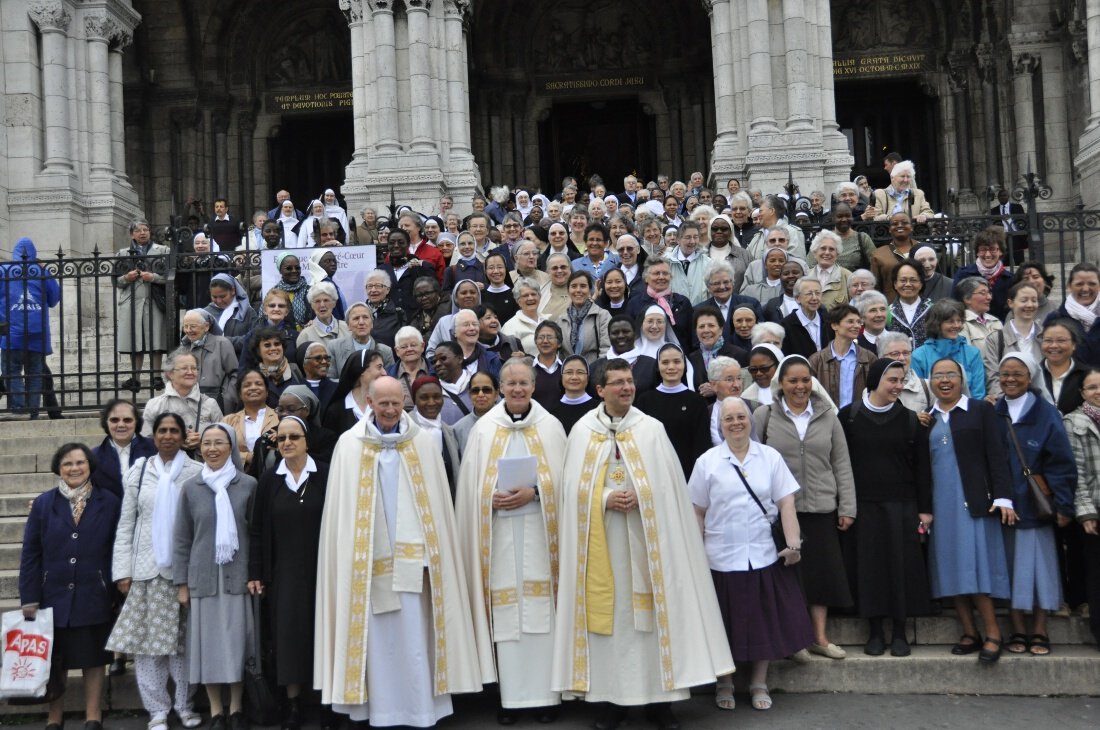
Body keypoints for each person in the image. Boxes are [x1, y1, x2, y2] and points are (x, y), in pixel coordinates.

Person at [552, 359, 734, 730]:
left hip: (648, 547)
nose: (626, 388)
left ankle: (660, 704)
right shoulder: (584, 431)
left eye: (629, 381)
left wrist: (642, 494)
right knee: (613, 622)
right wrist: (603, 498)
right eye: (617, 382)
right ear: (600, 390)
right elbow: (570, 490)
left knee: (652, 622)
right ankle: (612, 702)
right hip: (602, 548)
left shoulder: (651, 429)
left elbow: (670, 488)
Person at [314, 376, 492, 727]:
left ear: (404, 402)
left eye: (396, 403)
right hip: (367, 566)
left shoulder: (422, 444)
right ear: (369, 402)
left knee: (415, 637)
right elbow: (341, 515)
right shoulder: (350, 445)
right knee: (377, 642)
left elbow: (438, 509)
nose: (391, 410)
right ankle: (377, 710)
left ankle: (422, 709)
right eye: (383, 404)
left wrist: (434, 557)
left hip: (417, 566)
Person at [455, 360, 567, 723]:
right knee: (506, 615)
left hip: (540, 530)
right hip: (499, 533)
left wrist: (535, 492)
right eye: (511, 383)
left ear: (534, 387)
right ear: (501, 388)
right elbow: (471, 487)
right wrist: (490, 496)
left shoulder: (551, 427)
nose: (517, 389)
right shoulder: (485, 430)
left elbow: (566, 483)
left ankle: (547, 700)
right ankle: (509, 699)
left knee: (543, 614)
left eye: (524, 383)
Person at [690, 397, 812, 712]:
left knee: (763, 623)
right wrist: (694, 554)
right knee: (724, 625)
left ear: (750, 420)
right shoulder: (707, 462)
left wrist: (793, 543)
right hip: (719, 556)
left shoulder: (769, 457)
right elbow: (697, 512)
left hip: (762, 554)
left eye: (741, 417)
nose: (736, 423)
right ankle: (725, 682)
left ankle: (759, 682)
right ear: (720, 425)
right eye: (728, 418)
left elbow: (786, 503)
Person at [754, 355, 855, 659]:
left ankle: (819, 639)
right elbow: (754, 462)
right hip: (781, 511)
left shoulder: (827, 416)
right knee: (788, 578)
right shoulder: (765, 415)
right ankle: (794, 640)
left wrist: (847, 506)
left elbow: (841, 463)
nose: (800, 386)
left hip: (821, 506)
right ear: (781, 384)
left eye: (805, 380)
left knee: (821, 576)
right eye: (792, 380)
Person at [108, 413, 203, 730]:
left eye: (174, 430)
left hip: (184, 573)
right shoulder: (139, 470)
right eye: (162, 430)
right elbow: (126, 523)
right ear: (154, 435)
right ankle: (157, 711)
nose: (168, 436)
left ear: (182, 435)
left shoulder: (196, 471)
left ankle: (185, 706)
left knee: (183, 645)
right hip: (146, 571)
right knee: (149, 648)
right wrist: (123, 570)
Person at [19, 443, 120, 730]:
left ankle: (93, 715)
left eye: (80, 462)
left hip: (94, 591)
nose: (74, 468)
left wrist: (113, 584)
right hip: (54, 593)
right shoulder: (43, 504)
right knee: (55, 659)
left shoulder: (109, 501)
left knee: (93, 657)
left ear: (90, 465)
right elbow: (31, 553)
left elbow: (116, 547)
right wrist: (29, 597)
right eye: (67, 463)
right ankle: (54, 717)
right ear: (58, 469)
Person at [925, 357, 1016, 663]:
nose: (945, 380)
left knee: (976, 569)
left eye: (951, 374)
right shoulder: (927, 418)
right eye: (938, 375)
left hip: (975, 502)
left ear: (962, 379)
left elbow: (997, 455)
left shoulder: (979, 410)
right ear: (930, 381)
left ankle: (993, 633)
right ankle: (968, 631)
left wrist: (1004, 496)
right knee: (950, 568)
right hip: (941, 505)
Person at [839, 360, 932, 657]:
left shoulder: (910, 420)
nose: (897, 386)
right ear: (876, 380)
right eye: (892, 380)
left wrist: (925, 510)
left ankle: (901, 631)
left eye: (901, 380)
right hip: (865, 506)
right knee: (870, 569)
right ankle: (875, 631)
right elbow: (841, 465)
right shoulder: (849, 416)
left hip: (902, 506)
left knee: (900, 568)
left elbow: (922, 468)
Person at [173, 423, 258, 730]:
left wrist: (257, 574)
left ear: (231, 447)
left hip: (238, 577)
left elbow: (256, 534)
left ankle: (236, 708)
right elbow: (182, 538)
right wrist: (181, 583)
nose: (212, 448)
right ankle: (216, 710)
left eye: (219, 442)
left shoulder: (247, 485)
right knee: (207, 646)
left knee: (237, 643)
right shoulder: (192, 487)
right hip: (203, 579)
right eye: (206, 443)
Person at [249, 415, 331, 729]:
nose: (287, 443)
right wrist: (257, 571)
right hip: (283, 574)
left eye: (294, 437)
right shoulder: (270, 480)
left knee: (322, 636)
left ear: (307, 440)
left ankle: (327, 705)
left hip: (322, 571)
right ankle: (294, 705)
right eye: (281, 438)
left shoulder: (325, 474)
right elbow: (257, 530)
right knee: (288, 639)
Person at [993, 352, 1077, 656]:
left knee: (1040, 570)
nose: (1010, 379)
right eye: (1005, 374)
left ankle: (1039, 630)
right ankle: (1016, 628)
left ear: (1030, 377)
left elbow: (1062, 464)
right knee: (1011, 571)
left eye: (1017, 374)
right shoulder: (993, 411)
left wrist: (1065, 506)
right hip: (1002, 508)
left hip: (1035, 506)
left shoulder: (1045, 412)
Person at [1, 236, 61, 418]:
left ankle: (19, 410)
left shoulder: (4, 270)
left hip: (11, 332)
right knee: (35, 374)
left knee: (12, 371)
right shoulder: (42, 272)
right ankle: (33, 412)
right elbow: (54, 299)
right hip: (38, 334)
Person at [635, 344, 711, 479]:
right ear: (657, 367)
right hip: (653, 473)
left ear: (684, 365)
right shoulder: (644, 401)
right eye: (665, 362)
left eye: (677, 361)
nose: (671, 367)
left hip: (687, 474)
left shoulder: (697, 401)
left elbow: (702, 444)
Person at [1064, 369, 1100, 646]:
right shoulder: (1074, 422)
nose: (1097, 391)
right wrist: (1085, 511)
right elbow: (1075, 473)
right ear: (1082, 392)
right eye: (1092, 387)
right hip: (1095, 511)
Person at [116, 220, 170, 390]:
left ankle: (156, 377)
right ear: (132, 234)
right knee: (135, 341)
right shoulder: (123, 253)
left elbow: (170, 276)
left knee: (156, 339)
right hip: (131, 301)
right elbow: (116, 281)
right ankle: (135, 378)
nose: (142, 233)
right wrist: (126, 277)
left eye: (145, 229)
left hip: (154, 300)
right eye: (138, 230)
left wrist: (153, 277)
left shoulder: (163, 250)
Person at [143, 349, 225, 452]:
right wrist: (175, 441)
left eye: (194, 368)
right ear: (170, 374)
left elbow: (224, 439)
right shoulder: (155, 405)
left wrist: (203, 442)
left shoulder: (210, 404)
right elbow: (146, 442)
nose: (190, 372)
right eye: (184, 368)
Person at [911, 299, 986, 399]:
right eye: (950, 321)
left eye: (959, 321)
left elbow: (978, 394)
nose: (956, 325)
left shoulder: (973, 353)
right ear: (936, 324)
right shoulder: (919, 356)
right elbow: (918, 395)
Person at [808, 303, 877, 409]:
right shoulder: (816, 360)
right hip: (828, 418)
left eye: (859, 322)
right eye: (850, 321)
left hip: (859, 418)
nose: (857, 326)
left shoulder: (869, 358)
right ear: (835, 325)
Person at [983, 281, 1044, 400]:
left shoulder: (1046, 337)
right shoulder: (995, 339)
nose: (1030, 305)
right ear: (1011, 303)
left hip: (1042, 405)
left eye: (1034, 300)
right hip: (1008, 406)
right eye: (1024, 300)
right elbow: (993, 376)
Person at [91, 399, 156, 500]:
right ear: (106, 423)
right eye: (114, 420)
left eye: (127, 420)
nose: (121, 424)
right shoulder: (93, 457)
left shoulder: (155, 449)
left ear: (136, 422)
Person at [410, 375, 462, 496]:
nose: (431, 402)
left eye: (437, 397)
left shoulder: (449, 432)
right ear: (414, 400)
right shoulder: (405, 429)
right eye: (424, 398)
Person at [180, 309, 239, 413]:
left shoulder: (222, 344)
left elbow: (235, 374)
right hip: (189, 403)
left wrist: (229, 398)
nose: (188, 330)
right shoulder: (183, 348)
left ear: (206, 326)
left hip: (218, 402)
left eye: (193, 326)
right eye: (185, 326)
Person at [627, 257, 694, 347]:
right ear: (646, 278)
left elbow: (691, 336)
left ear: (670, 277)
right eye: (656, 273)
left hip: (678, 357)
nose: (661, 277)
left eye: (665, 273)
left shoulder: (683, 302)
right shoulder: (634, 304)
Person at [1046, 262, 1100, 368]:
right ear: (1069, 286)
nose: (1085, 289)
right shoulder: (1055, 320)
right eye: (1079, 284)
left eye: (1092, 284)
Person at [953, 227, 1014, 321]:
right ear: (977, 252)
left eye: (993, 249)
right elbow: (955, 304)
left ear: (1000, 251)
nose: (988, 254)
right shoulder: (963, 274)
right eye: (983, 250)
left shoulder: (1010, 279)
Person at [223, 368, 278, 472]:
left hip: (273, 473)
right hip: (237, 476)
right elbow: (220, 448)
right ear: (240, 394)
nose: (253, 388)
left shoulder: (279, 418)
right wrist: (246, 457)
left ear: (267, 391)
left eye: (258, 384)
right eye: (247, 385)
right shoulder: (228, 421)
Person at [323, 348, 386, 434]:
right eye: (379, 367)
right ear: (362, 370)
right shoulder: (336, 411)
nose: (384, 373)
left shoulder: (387, 404)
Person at [689, 305, 746, 396]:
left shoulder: (738, 354)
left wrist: (717, 388)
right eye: (701, 326)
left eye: (711, 325)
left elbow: (745, 387)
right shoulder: (691, 359)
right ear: (696, 331)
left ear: (721, 329)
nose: (706, 330)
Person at [326, 302, 395, 376]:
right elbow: (331, 381)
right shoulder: (334, 347)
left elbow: (390, 381)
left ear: (372, 324)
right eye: (356, 318)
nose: (361, 322)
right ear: (348, 325)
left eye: (365, 317)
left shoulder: (385, 351)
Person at [558, 270, 611, 364]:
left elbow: (606, 349)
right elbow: (560, 353)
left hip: (594, 372)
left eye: (583, 286)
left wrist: (597, 371)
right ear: (568, 290)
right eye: (574, 286)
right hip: (568, 374)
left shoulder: (602, 316)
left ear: (590, 290)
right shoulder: (561, 320)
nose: (578, 290)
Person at [1040, 319, 1090, 414]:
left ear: (1074, 345)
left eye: (1061, 340)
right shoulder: (1032, 374)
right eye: (1048, 340)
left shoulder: (1087, 376)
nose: (1054, 345)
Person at [206, 274, 260, 356]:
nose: (219, 301)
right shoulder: (205, 313)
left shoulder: (247, 312)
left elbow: (254, 339)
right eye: (214, 297)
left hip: (239, 363)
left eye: (222, 296)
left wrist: (221, 342)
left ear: (233, 291)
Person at [248, 327, 304, 405]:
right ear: (258, 351)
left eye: (277, 344)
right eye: (267, 345)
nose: (273, 348)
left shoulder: (295, 370)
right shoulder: (252, 377)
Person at [877, 332, 932, 412]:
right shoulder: (873, 388)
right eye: (895, 354)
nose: (902, 358)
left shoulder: (927, 388)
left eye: (906, 353)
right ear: (881, 357)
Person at [780, 277, 833, 359]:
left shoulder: (830, 321)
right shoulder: (786, 325)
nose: (815, 298)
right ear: (797, 298)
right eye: (809, 294)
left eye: (818, 293)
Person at [870, 212, 918, 303]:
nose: (899, 226)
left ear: (911, 227)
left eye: (904, 223)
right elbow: (875, 287)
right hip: (891, 307)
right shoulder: (878, 254)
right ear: (889, 229)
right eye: (895, 224)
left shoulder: (922, 250)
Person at [886, 260, 933, 349]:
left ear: (921, 284)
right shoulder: (888, 312)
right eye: (903, 280)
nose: (908, 284)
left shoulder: (933, 309)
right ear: (895, 284)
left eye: (913, 280)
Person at [868, 160, 934, 223]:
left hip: (912, 233)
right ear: (892, 178)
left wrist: (924, 216)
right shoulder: (879, 194)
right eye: (902, 176)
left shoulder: (918, 194)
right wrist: (893, 219)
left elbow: (929, 213)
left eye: (908, 177)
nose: (905, 180)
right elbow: (875, 217)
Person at [549, 354, 598, 434]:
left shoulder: (599, 409)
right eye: (569, 372)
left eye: (580, 372)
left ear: (588, 377)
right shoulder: (551, 412)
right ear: (561, 377)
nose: (574, 377)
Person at [452, 369, 500, 451]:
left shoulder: (508, 423)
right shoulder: (458, 429)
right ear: (470, 395)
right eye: (475, 391)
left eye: (486, 390)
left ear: (496, 394)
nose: (480, 394)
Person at [388, 326, 431, 410]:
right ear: (397, 351)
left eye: (413, 345)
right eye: (404, 347)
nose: (409, 349)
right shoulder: (387, 376)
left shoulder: (437, 371)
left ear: (422, 346)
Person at [806, 230, 851, 311]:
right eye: (823, 248)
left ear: (837, 254)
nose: (827, 252)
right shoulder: (805, 276)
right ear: (815, 252)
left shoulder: (848, 276)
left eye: (831, 249)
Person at [957, 276, 1003, 353]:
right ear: (967, 299)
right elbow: (966, 355)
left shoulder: (995, 321)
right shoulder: (961, 323)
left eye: (989, 293)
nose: (989, 297)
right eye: (983, 293)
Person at [297, 282, 350, 347]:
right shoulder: (305, 335)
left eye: (326, 300)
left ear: (334, 303)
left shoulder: (347, 329)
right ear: (312, 305)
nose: (322, 305)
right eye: (317, 301)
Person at [501, 278, 543, 356]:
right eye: (525, 295)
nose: (530, 298)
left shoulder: (548, 321)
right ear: (518, 301)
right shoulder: (510, 326)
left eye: (533, 294)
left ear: (539, 297)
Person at [531, 321, 565, 409]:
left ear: (559, 343)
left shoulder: (566, 369)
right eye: (541, 337)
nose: (545, 341)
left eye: (549, 337)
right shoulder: (528, 369)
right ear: (535, 341)